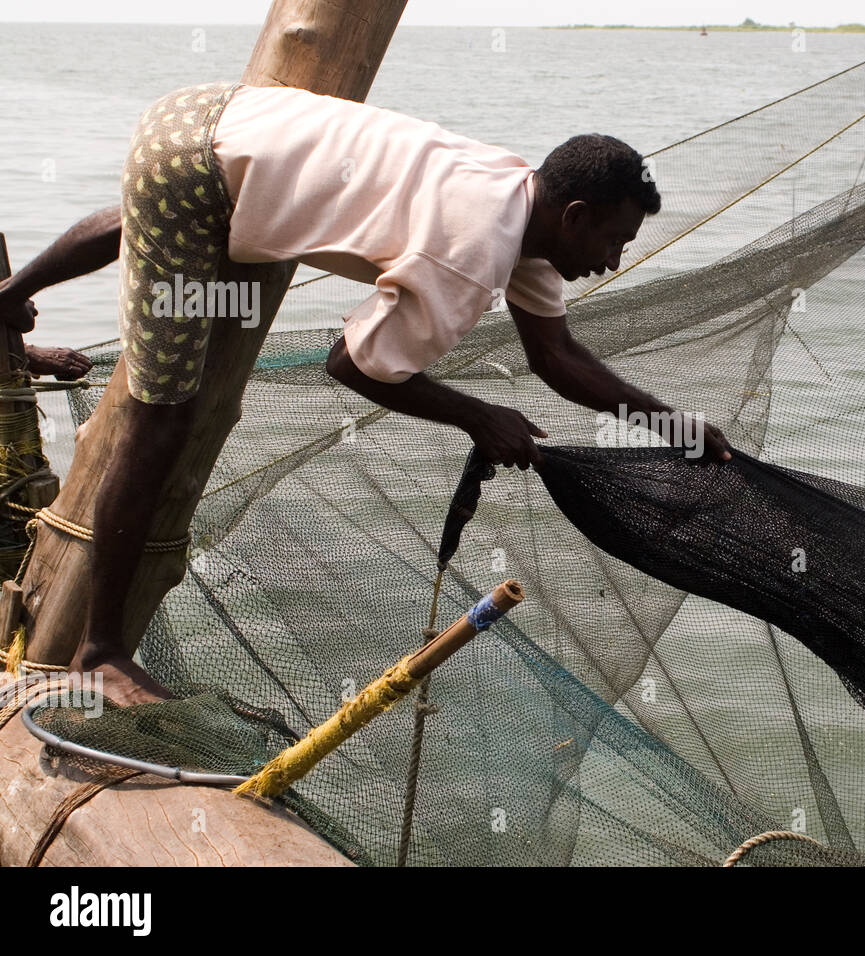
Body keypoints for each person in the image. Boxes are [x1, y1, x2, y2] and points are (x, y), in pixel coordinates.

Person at [0, 81, 731, 705]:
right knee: (163, 416)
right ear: (574, 217)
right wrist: (478, 416)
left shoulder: (523, 206)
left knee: (146, 219)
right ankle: (98, 653)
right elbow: (353, 363)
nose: (613, 261)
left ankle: (10, 296)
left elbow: (557, 355)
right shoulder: (469, 253)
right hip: (194, 169)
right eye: (614, 242)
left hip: (217, 112)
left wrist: (672, 428)